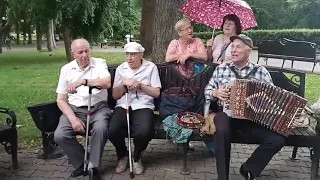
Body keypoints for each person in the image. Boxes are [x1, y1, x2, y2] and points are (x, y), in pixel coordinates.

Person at [204, 34, 305, 180]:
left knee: (277, 140)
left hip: (253, 119)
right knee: (221, 130)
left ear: (248, 51)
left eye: (238, 47)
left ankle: (249, 168)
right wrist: (216, 92)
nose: (233, 50)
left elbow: (274, 99)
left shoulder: (260, 71)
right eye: (232, 47)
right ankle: (222, 177)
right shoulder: (221, 69)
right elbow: (207, 92)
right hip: (226, 116)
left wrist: (290, 117)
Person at [54, 38, 112, 179]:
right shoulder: (66, 69)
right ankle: (81, 163)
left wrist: (84, 81)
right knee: (60, 135)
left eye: (87, 51)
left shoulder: (99, 63)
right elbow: (61, 100)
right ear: (73, 53)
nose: (84, 55)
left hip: (98, 108)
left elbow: (107, 83)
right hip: (75, 110)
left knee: (101, 129)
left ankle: (93, 166)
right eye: (80, 52)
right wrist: (73, 119)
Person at [108, 42, 161, 175]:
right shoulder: (122, 68)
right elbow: (115, 95)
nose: (129, 58)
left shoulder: (151, 67)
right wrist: (123, 83)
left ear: (141, 54)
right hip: (123, 104)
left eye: (133, 54)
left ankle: (137, 157)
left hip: (143, 105)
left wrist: (140, 86)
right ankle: (123, 155)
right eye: (127, 54)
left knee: (143, 132)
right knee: (112, 130)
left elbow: (156, 93)